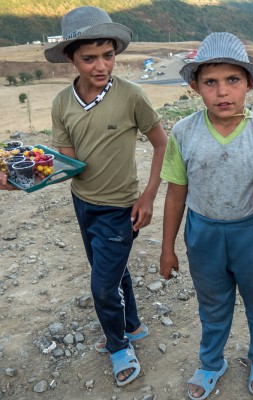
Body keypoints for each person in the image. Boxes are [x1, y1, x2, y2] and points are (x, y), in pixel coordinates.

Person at [1, 6, 167, 387]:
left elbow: (162, 144)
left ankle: (118, 345)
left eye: (107, 55)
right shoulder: (62, 103)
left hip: (121, 206)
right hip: (84, 203)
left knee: (102, 285)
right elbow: (69, 163)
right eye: (88, 58)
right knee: (111, 270)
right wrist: (26, 179)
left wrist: (148, 197)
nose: (101, 65)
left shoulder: (132, 96)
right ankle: (134, 325)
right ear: (70, 59)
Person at [159, 32, 253, 399]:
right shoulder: (183, 132)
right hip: (203, 234)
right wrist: (167, 248)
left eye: (232, 80)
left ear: (249, 83)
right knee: (212, 305)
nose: (222, 92)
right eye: (211, 82)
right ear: (195, 87)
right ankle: (211, 362)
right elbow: (176, 195)